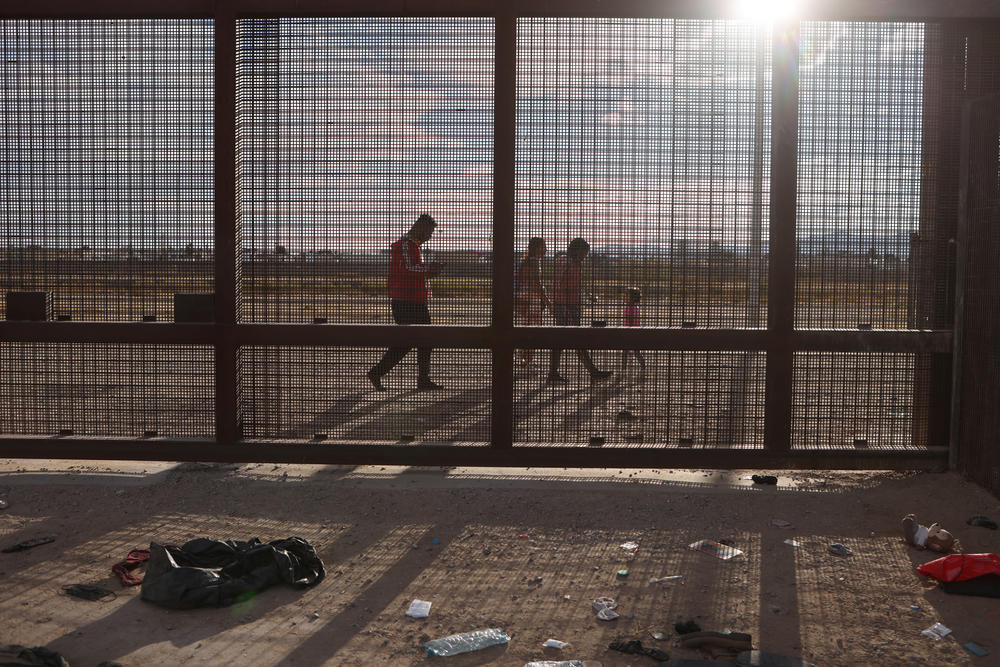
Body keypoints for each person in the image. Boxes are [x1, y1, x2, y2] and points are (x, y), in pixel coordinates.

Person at [367, 214, 444, 391]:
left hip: (414, 300)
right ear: (421, 228)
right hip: (406, 301)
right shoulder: (404, 246)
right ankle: (418, 378)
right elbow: (407, 268)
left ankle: (380, 373)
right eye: (430, 232)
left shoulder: (412, 247)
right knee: (417, 339)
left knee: (415, 340)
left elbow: (413, 270)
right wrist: (430, 268)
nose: (430, 237)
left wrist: (431, 271)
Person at [546, 237, 612, 385]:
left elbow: (572, 284)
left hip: (569, 306)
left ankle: (553, 373)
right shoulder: (567, 263)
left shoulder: (573, 263)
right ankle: (592, 372)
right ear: (577, 251)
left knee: (562, 341)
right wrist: (563, 307)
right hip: (566, 307)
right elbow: (559, 284)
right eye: (584, 253)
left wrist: (586, 295)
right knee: (576, 339)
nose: (585, 256)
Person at [515, 237, 551, 367]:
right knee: (533, 332)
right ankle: (528, 361)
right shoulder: (535, 261)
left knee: (524, 330)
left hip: (522, 299)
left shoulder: (524, 261)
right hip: (532, 300)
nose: (546, 249)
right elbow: (536, 284)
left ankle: (524, 360)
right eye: (543, 246)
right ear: (537, 248)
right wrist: (547, 302)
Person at [618, 286, 647, 382]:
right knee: (633, 353)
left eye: (626, 295)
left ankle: (624, 372)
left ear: (633, 298)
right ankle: (641, 370)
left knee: (629, 353)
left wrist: (626, 334)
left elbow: (630, 323)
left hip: (631, 334)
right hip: (634, 334)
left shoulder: (630, 308)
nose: (624, 296)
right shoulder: (633, 307)